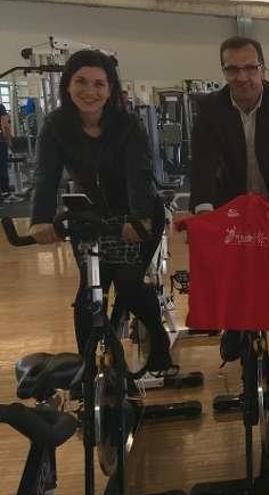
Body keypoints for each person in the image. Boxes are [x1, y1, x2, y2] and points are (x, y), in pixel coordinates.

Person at [27, 49, 173, 372]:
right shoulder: (55, 126)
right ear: (67, 85)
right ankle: (87, 372)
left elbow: (139, 174)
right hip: (93, 216)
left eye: (99, 84)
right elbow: (45, 175)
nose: (89, 92)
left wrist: (139, 219)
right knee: (88, 293)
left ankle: (159, 344)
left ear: (110, 89)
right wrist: (40, 219)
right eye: (81, 82)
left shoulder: (127, 125)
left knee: (129, 283)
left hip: (139, 213)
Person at [188, 36, 269, 373]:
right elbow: (201, 164)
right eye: (233, 69)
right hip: (233, 208)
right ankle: (235, 327)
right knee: (231, 274)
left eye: (249, 67)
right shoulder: (210, 109)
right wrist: (202, 209)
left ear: (262, 68)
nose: (242, 77)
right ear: (224, 71)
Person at [0, 101, 11, 197]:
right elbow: (5, 124)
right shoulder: (0, 107)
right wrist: (9, 141)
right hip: (1, 141)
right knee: (2, 166)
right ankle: (5, 193)